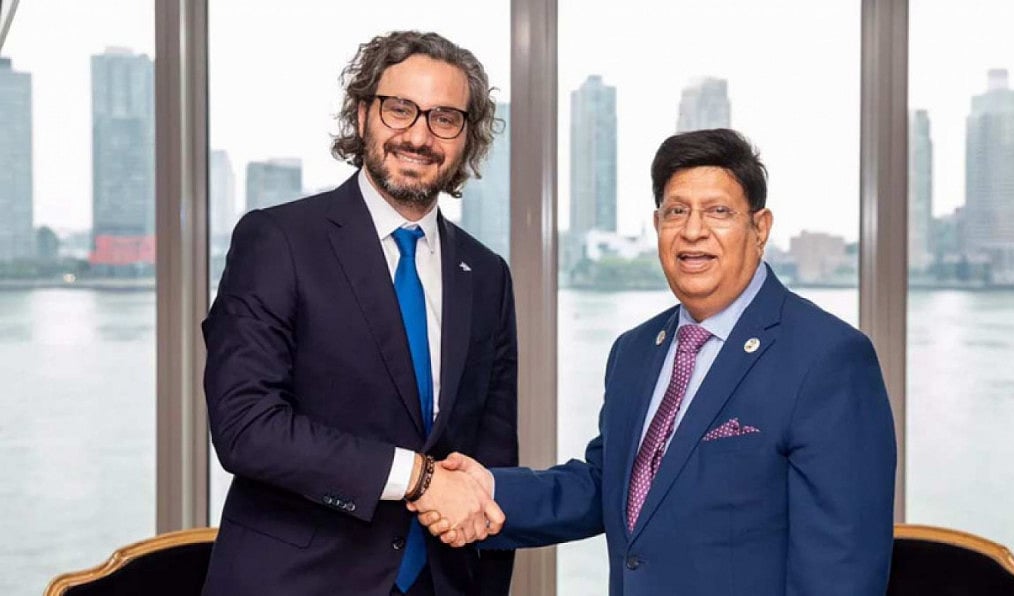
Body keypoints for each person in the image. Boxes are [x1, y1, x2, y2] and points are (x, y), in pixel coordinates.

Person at [418, 129, 897, 595]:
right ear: (657, 225)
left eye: (718, 211)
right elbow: (608, 486)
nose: (693, 231)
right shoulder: (635, 351)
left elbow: (841, 572)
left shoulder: (828, 358)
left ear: (760, 227)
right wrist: (489, 490)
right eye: (676, 211)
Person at [201, 30, 516, 596]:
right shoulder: (279, 241)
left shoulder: (487, 274)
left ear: (468, 139)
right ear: (362, 113)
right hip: (298, 582)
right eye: (400, 109)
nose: (419, 136)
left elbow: (491, 460)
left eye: (445, 118)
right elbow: (246, 428)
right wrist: (418, 479)